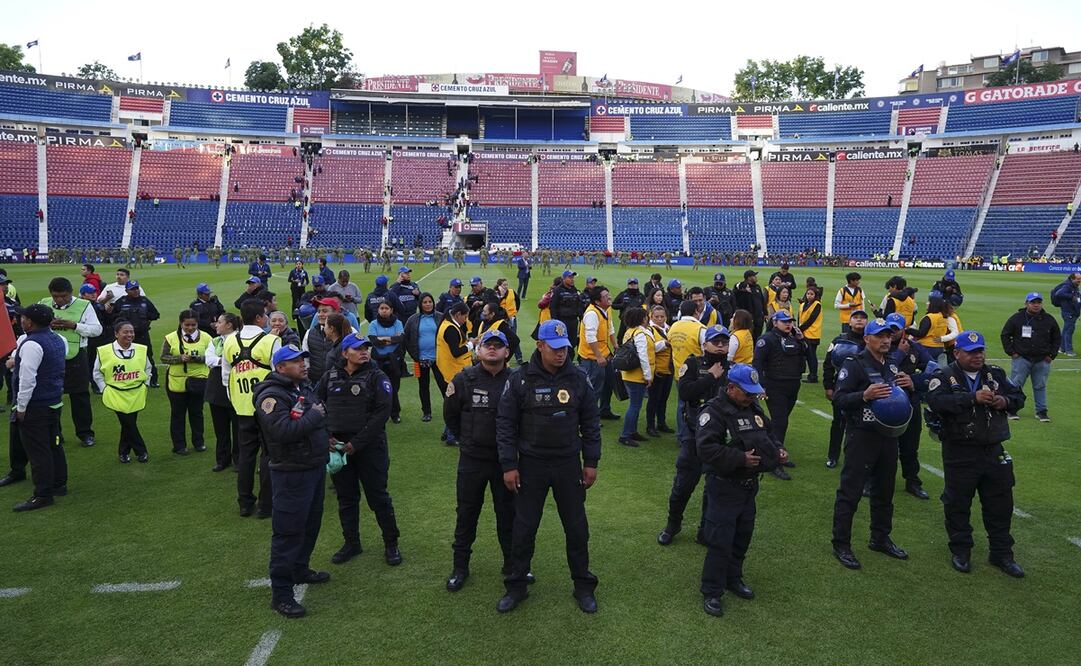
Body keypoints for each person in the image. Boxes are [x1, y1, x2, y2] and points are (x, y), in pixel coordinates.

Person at [496, 319, 601, 614]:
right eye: (554, 348)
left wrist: (591, 462)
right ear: (540, 346)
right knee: (524, 528)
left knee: (577, 528)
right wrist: (508, 464)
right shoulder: (519, 379)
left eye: (564, 347)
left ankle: (583, 586)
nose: (561, 353)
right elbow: (506, 424)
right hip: (531, 464)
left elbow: (591, 423)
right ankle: (516, 586)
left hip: (568, 463)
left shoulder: (579, 378)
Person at [925, 331, 1026, 577]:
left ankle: (1001, 553)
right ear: (956, 353)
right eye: (971, 352)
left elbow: (1018, 397)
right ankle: (961, 550)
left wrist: (1003, 401)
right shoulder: (943, 375)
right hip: (960, 451)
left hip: (993, 449)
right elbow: (936, 403)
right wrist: (972, 398)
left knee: (1000, 504)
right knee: (958, 504)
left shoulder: (996, 374)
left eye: (980, 350)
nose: (977, 356)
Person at [695, 364, 785, 617]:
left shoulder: (753, 407)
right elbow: (705, 449)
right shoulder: (713, 412)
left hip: (748, 488)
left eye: (754, 393)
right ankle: (711, 591)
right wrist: (739, 459)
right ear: (731, 388)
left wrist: (777, 449)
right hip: (724, 487)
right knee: (720, 541)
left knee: (742, 536)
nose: (752, 397)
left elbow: (768, 433)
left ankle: (733, 578)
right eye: (747, 393)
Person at [252, 344, 330, 619]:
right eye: (296, 361)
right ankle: (281, 594)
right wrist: (315, 415)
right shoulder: (271, 395)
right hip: (290, 472)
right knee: (288, 532)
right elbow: (283, 430)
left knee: (311, 523)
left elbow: (316, 419)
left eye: (303, 360)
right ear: (280, 367)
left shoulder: (301, 387)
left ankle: (300, 568)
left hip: (313, 467)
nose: (303, 364)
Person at [830, 318, 914, 570]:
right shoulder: (853, 364)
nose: (886, 340)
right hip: (861, 436)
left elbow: (897, 397)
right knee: (851, 491)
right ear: (867, 339)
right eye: (880, 336)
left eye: (889, 335)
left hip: (887, 437)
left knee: (884, 491)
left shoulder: (891, 364)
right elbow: (839, 399)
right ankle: (841, 544)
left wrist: (909, 386)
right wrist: (864, 395)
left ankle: (880, 537)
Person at [316, 333, 401, 567]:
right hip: (339, 448)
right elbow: (314, 405)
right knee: (346, 498)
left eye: (366, 348)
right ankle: (351, 543)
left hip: (369, 447)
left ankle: (391, 543)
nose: (364, 351)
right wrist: (327, 436)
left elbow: (382, 414)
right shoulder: (329, 377)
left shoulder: (377, 377)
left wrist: (358, 443)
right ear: (345, 353)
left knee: (378, 497)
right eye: (358, 348)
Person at [444, 330, 519, 591]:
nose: (493, 349)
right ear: (479, 350)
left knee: (508, 515)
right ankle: (460, 567)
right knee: (466, 514)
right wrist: (468, 441)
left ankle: (513, 565)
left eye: (499, 346)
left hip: (505, 462)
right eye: (488, 345)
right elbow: (451, 416)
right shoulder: (464, 379)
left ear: (507, 352)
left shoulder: (516, 380)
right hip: (473, 460)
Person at [659, 324, 730, 546]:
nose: (720, 347)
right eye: (715, 342)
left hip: (720, 439)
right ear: (705, 344)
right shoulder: (692, 363)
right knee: (682, 485)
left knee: (715, 489)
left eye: (724, 342)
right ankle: (673, 524)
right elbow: (685, 392)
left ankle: (704, 529)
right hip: (694, 436)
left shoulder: (735, 369)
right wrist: (709, 377)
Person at [2, 304, 67, 511]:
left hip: (36, 405)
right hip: (53, 400)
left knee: (38, 451)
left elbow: (27, 380)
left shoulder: (31, 344)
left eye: (24, 318)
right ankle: (59, 484)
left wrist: (21, 407)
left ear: (30, 322)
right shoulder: (57, 338)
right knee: (53, 444)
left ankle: (43, 494)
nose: (21, 320)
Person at [222, 301, 281, 517]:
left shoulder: (229, 341)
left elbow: (226, 376)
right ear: (258, 317)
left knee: (246, 456)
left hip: (242, 406)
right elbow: (279, 373)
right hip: (268, 406)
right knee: (268, 454)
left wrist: (235, 399)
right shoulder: (271, 341)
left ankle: (245, 503)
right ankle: (266, 505)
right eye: (265, 315)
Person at [40, 277, 102, 447]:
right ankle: (55, 433)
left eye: (63, 296)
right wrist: (48, 324)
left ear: (71, 293)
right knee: (51, 398)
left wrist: (74, 325)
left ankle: (85, 434)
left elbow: (97, 330)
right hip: (49, 357)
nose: (59, 299)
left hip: (76, 356)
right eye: (55, 296)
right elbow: (33, 324)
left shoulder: (84, 305)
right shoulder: (44, 303)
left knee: (80, 396)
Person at [752, 310, 805, 480]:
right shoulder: (767, 339)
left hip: (793, 385)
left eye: (790, 321)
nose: (789, 324)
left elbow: (807, 356)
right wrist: (759, 386)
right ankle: (775, 461)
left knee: (780, 422)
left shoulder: (793, 338)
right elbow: (757, 363)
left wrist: (802, 339)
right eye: (785, 322)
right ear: (775, 323)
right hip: (775, 386)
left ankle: (776, 451)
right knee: (780, 422)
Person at [94, 320, 153, 464]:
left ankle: (124, 452)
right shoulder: (104, 351)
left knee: (129, 423)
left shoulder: (140, 349)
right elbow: (97, 372)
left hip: (136, 392)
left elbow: (148, 368)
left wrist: (145, 384)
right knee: (128, 422)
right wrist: (104, 389)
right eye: (125, 332)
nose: (129, 335)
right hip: (116, 393)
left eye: (131, 332)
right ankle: (141, 451)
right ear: (116, 334)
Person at [1000, 292, 1060, 422]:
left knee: (1040, 385)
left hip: (1042, 359)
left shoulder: (1049, 319)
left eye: (1038, 302)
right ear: (1026, 303)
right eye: (1033, 302)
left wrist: (1052, 355)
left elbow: (1056, 338)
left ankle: (1041, 412)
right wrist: (1012, 352)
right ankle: (1011, 409)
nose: (1036, 305)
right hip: (1022, 358)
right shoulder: (1017, 318)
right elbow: (1005, 335)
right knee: (1016, 384)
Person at [822, 309, 867, 468]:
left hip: (863, 389)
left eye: (863, 318)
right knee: (838, 423)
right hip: (841, 387)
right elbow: (828, 364)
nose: (859, 320)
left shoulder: (871, 340)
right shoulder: (839, 339)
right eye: (856, 317)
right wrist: (828, 386)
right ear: (850, 321)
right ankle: (832, 456)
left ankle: (855, 457)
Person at [161, 310, 209, 456]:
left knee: (197, 413)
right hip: (176, 382)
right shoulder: (170, 338)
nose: (190, 328)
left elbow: (212, 357)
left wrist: (197, 359)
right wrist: (178, 359)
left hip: (198, 380)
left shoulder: (207, 338)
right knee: (177, 415)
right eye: (186, 325)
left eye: (193, 325)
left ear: (197, 323)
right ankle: (179, 445)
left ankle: (199, 442)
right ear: (180, 323)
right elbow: (163, 357)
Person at [618, 307, 663, 447]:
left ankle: (632, 431)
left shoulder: (630, 331)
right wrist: (648, 376)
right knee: (635, 406)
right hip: (636, 376)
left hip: (629, 374)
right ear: (642, 319)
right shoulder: (640, 334)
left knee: (635, 405)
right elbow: (643, 355)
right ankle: (626, 434)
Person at [205, 312, 240, 472]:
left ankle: (239, 460)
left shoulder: (240, 339)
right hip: (217, 388)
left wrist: (220, 361)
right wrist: (224, 361)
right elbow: (209, 359)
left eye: (219, 322)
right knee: (220, 428)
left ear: (229, 325)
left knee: (239, 428)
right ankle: (222, 459)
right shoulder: (216, 341)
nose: (216, 325)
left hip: (236, 386)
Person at [109, 281, 161, 388]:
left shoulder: (144, 301)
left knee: (147, 356)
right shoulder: (121, 302)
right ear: (127, 290)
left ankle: (152, 380)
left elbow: (155, 314)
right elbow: (112, 316)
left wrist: (145, 317)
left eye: (137, 288)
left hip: (142, 334)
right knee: (124, 357)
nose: (135, 291)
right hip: (126, 336)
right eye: (132, 289)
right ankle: (127, 378)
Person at [578, 285, 618, 421]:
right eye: (606, 296)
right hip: (592, 357)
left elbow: (610, 328)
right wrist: (599, 356)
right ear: (597, 301)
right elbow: (590, 337)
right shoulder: (592, 314)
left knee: (608, 383)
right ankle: (589, 417)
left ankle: (604, 410)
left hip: (605, 353)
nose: (609, 298)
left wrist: (615, 346)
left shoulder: (606, 310)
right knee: (594, 387)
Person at [669, 301, 708, 441]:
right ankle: (697, 436)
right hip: (698, 374)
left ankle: (682, 436)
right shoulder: (700, 329)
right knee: (699, 406)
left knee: (681, 405)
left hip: (678, 372)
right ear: (696, 312)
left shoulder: (674, 326)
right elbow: (707, 351)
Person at [404, 293, 442, 422]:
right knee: (423, 386)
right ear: (420, 304)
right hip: (421, 359)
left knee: (444, 385)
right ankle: (426, 412)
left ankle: (450, 410)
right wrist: (415, 355)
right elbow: (406, 338)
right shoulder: (413, 319)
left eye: (430, 302)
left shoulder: (440, 317)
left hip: (439, 359)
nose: (428, 304)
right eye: (425, 302)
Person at [367, 302, 405, 424]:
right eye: (381, 308)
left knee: (394, 388)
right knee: (378, 388)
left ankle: (395, 413)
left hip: (394, 361)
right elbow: (373, 341)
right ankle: (379, 414)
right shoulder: (373, 323)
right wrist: (390, 339)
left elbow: (399, 339)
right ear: (378, 310)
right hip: (378, 361)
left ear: (391, 310)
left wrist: (382, 338)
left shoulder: (398, 323)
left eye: (386, 308)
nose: (384, 310)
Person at [645, 305, 674, 437]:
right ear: (651, 317)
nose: (660, 319)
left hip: (668, 369)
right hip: (657, 370)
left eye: (662, 316)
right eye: (657, 316)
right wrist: (665, 344)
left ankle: (661, 423)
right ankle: (650, 426)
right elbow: (650, 348)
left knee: (663, 399)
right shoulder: (650, 330)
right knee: (653, 400)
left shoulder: (669, 328)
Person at [549, 271, 584, 352]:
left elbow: (579, 305)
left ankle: (569, 362)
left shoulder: (574, 290)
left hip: (574, 321)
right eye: (570, 277)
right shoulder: (558, 290)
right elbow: (553, 306)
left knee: (573, 343)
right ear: (564, 279)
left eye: (573, 278)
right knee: (562, 343)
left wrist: (581, 317)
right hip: (562, 321)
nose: (572, 280)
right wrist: (555, 321)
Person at [1049, 272, 1080, 356]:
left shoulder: (1074, 286)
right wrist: (1071, 296)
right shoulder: (1067, 286)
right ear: (1072, 279)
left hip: (1071, 311)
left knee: (1066, 330)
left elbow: (1077, 298)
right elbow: (1059, 293)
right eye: (1078, 279)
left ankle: (1062, 348)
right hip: (1069, 312)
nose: (1079, 280)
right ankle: (1068, 350)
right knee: (1069, 331)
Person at [495, 278, 523, 365]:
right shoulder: (495, 294)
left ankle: (519, 357)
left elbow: (517, 301)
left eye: (507, 284)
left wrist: (515, 311)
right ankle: (501, 356)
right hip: (501, 320)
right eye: (504, 285)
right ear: (499, 286)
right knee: (501, 338)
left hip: (511, 318)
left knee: (513, 337)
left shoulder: (511, 291)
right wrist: (501, 296)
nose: (506, 286)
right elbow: (495, 305)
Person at [798, 287, 822, 383]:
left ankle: (813, 376)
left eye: (812, 294)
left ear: (815, 295)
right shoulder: (803, 304)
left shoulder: (817, 305)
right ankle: (807, 374)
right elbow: (800, 318)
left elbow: (811, 319)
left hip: (812, 334)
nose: (809, 296)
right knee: (806, 355)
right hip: (804, 333)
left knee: (811, 356)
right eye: (808, 294)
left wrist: (799, 329)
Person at [733, 270, 766, 340]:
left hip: (759, 318)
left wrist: (765, 313)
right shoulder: (743, 286)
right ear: (749, 278)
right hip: (749, 318)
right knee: (748, 337)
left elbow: (762, 301)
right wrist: (743, 290)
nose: (756, 277)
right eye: (754, 276)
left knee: (758, 336)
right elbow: (735, 290)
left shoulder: (757, 287)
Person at [612, 277, 646, 341]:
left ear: (637, 285)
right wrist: (622, 305)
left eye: (634, 284)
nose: (633, 286)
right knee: (621, 338)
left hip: (638, 322)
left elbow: (646, 308)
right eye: (631, 284)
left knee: (637, 338)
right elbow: (613, 305)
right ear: (628, 285)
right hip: (625, 321)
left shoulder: (641, 296)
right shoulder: (623, 294)